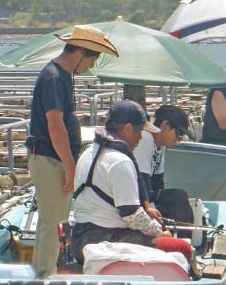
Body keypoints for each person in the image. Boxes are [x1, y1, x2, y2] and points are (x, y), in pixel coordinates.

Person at [26, 24, 118, 277]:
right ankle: (44, 275)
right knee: (52, 220)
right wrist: (70, 165)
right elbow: (55, 126)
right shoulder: (54, 77)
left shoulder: (63, 76)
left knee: (57, 218)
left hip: (56, 157)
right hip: (50, 157)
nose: (91, 66)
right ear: (80, 52)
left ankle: (48, 269)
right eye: (93, 59)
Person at [71, 100, 193, 264]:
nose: (141, 137)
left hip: (80, 240)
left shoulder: (87, 153)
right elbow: (131, 215)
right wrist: (160, 232)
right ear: (128, 128)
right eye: (140, 131)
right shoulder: (120, 161)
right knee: (180, 248)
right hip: (107, 240)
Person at [133, 104, 194, 223]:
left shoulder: (161, 146)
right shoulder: (144, 139)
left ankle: (182, 237)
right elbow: (142, 184)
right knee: (178, 196)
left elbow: (158, 183)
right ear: (165, 126)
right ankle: (180, 238)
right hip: (133, 196)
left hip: (145, 194)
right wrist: (151, 207)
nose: (179, 139)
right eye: (179, 133)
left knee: (180, 199)